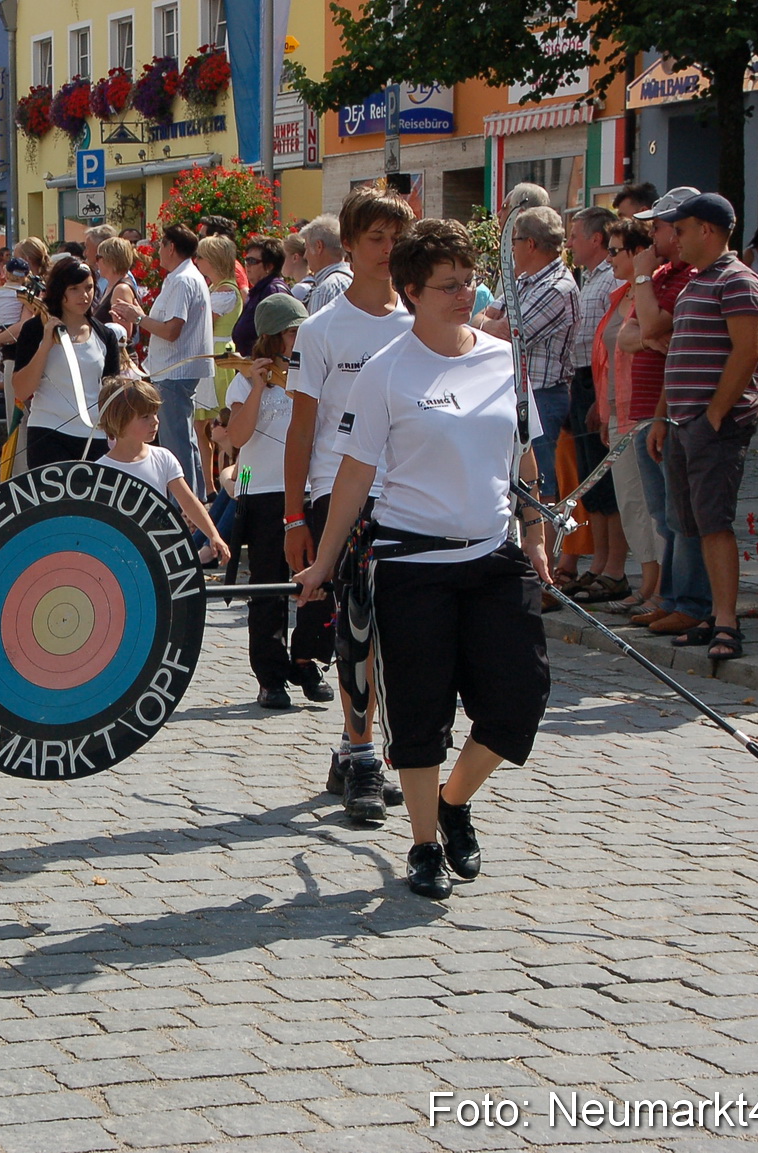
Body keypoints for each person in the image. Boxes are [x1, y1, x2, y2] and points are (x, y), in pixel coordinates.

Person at [294, 217, 552, 901]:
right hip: (413, 565)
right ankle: (423, 842)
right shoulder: (386, 372)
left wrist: (534, 532)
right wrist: (322, 562)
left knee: (520, 696)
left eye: (469, 280)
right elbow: (354, 475)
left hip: (492, 556)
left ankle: (453, 801)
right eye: (448, 285)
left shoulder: (503, 359)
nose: (465, 294)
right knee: (420, 712)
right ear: (412, 291)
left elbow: (522, 456)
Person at [284, 185, 414, 819]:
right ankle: (363, 757)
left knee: (396, 631)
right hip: (338, 491)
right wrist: (292, 517)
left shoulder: (421, 322)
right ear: (351, 246)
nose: (387, 251)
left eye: (397, 239)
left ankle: (350, 746)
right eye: (376, 239)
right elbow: (301, 428)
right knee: (357, 624)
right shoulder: (321, 329)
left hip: (409, 493)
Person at [653, 192, 758, 661]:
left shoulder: (738, 280)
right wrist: (662, 416)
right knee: (692, 524)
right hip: (682, 422)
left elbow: (748, 352)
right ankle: (704, 613)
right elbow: (677, 355)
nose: (675, 239)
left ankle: (726, 623)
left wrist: (716, 414)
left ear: (707, 230)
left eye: (681, 230)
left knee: (715, 523)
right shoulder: (695, 282)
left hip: (714, 425)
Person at [624, 187, 708, 639]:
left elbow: (653, 325)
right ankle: (671, 598)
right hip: (653, 408)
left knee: (680, 514)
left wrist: (641, 279)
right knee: (664, 514)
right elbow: (627, 335)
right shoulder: (663, 276)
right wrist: (648, 329)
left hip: (675, 408)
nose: (651, 236)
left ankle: (687, 602)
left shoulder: (686, 276)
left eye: (656, 227)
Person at [226, 294, 312, 708]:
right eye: (293, 332)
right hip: (259, 489)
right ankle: (271, 676)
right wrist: (259, 387)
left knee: (315, 582)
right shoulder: (245, 380)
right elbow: (237, 437)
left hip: (308, 488)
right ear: (274, 337)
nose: (299, 339)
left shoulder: (310, 374)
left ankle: (307, 660)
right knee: (267, 588)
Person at [476, 206, 578, 524]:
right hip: (516, 394)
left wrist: (484, 325)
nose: (511, 249)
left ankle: (542, 553)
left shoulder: (557, 288)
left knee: (539, 487)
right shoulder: (522, 281)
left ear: (530, 244)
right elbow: (481, 319)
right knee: (512, 482)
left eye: (514, 241)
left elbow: (508, 334)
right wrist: (486, 324)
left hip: (542, 397)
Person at [560, 205, 629, 604]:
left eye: (575, 236)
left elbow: (610, 345)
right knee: (591, 482)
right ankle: (599, 563)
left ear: (596, 239)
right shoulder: (589, 278)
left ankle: (615, 567)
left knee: (608, 480)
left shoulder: (610, 279)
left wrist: (601, 395)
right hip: (582, 381)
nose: (570, 243)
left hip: (598, 380)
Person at [111, 224, 212, 494]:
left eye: (161, 245)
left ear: (171, 247)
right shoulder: (184, 276)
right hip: (176, 369)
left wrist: (137, 317)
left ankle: (183, 506)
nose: (157, 251)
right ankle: (195, 501)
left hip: (174, 370)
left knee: (176, 443)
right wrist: (139, 315)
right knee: (184, 439)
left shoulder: (182, 280)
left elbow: (171, 330)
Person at [597, 217, 664, 613]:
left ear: (638, 252)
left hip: (646, 409)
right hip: (617, 412)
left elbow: (649, 338)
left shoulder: (651, 291)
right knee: (632, 503)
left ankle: (660, 587)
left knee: (654, 504)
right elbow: (613, 351)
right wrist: (604, 409)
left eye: (614, 251)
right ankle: (646, 581)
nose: (608, 259)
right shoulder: (618, 295)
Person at [95, 375, 229, 568]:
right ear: (119, 419)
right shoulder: (101, 470)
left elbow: (189, 502)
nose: (155, 421)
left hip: (158, 555)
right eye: (145, 417)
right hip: (118, 559)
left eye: (155, 413)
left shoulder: (163, 458)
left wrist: (213, 535)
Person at [12, 258, 120, 465]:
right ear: (60, 290)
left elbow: (111, 390)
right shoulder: (35, 329)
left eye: (89, 287)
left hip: (94, 433)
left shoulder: (105, 335)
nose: (84, 295)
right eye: (74, 289)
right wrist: (45, 345)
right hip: (47, 430)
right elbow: (21, 390)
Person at [195, 234, 244, 487]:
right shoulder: (217, 288)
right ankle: (210, 484)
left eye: (201, 257)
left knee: (222, 424)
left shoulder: (225, 290)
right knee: (203, 426)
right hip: (213, 353)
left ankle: (230, 481)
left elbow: (202, 324)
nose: (197, 261)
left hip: (218, 355)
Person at [233, 237, 290, 358]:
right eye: (246, 260)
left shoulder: (273, 292)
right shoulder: (259, 290)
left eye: (252, 261)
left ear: (269, 266)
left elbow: (278, 337)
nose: (247, 265)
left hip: (265, 364)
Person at [300, 214, 352, 315]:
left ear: (319, 246)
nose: (305, 256)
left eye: (306, 248)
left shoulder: (324, 291)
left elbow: (316, 326)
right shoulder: (357, 281)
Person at [92, 237, 140, 334]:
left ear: (109, 259)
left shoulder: (121, 289)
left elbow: (125, 333)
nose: (96, 262)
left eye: (98, 257)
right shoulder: (112, 285)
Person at [0, 257, 31, 353]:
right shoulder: (25, 293)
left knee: (3, 354)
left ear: (6, 273)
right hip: (15, 329)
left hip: (0, 328)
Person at [282, 233, 310, 299]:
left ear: (295, 258)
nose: (279, 260)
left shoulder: (300, 289)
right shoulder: (313, 281)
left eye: (283, 256)